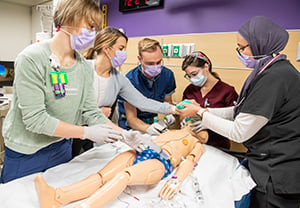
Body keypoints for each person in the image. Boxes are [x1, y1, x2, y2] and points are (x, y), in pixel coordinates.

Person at [0, 0, 144, 183]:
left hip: (61, 146)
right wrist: (86, 132)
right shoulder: (32, 58)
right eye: (90, 26)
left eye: (96, 29)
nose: (93, 35)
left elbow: (91, 110)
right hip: (27, 151)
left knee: (57, 196)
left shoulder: (83, 66)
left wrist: (123, 135)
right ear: (69, 18)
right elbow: (35, 120)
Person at [177, 16, 300, 208]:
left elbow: (239, 132)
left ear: (260, 44)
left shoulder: (274, 78)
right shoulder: (270, 71)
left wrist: (201, 114)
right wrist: (206, 110)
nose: (239, 52)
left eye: (242, 48)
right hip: (269, 162)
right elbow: (241, 111)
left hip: (276, 172)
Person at [34, 125, 207, 208]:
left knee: (125, 175)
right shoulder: (172, 130)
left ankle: (85, 206)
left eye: (197, 121)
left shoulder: (196, 143)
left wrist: (176, 179)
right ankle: (57, 197)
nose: (191, 122)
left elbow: (190, 161)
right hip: (142, 150)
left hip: (161, 162)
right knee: (101, 176)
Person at [72, 27, 177, 157]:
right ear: (106, 49)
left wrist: (173, 109)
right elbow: (66, 107)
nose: (124, 53)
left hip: (100, 132)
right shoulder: (81, 69)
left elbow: (142, 102)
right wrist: (97, 114)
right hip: (72, 133)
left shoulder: (118, 78)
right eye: (121, 48)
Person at [118, 38, 176, 135]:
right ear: (140, 59)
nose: (155, 66)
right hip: (131, 125)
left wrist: (169, 117)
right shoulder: (130, 80)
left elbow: (167, 102)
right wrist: (148, 128)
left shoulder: (167, 75)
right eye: (150, 63)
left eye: (158, 62)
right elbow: (132, 119)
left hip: (152, 119)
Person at [181, 51, 238, 149]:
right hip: (192, 143)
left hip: (218, 145)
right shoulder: (190, 90)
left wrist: (209, 123)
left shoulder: (227, 91)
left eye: (194, 74)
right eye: (188, 76)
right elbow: (183, 111)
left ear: (206, 67)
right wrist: (183, 120)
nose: (192, 79)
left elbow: (236, 120)